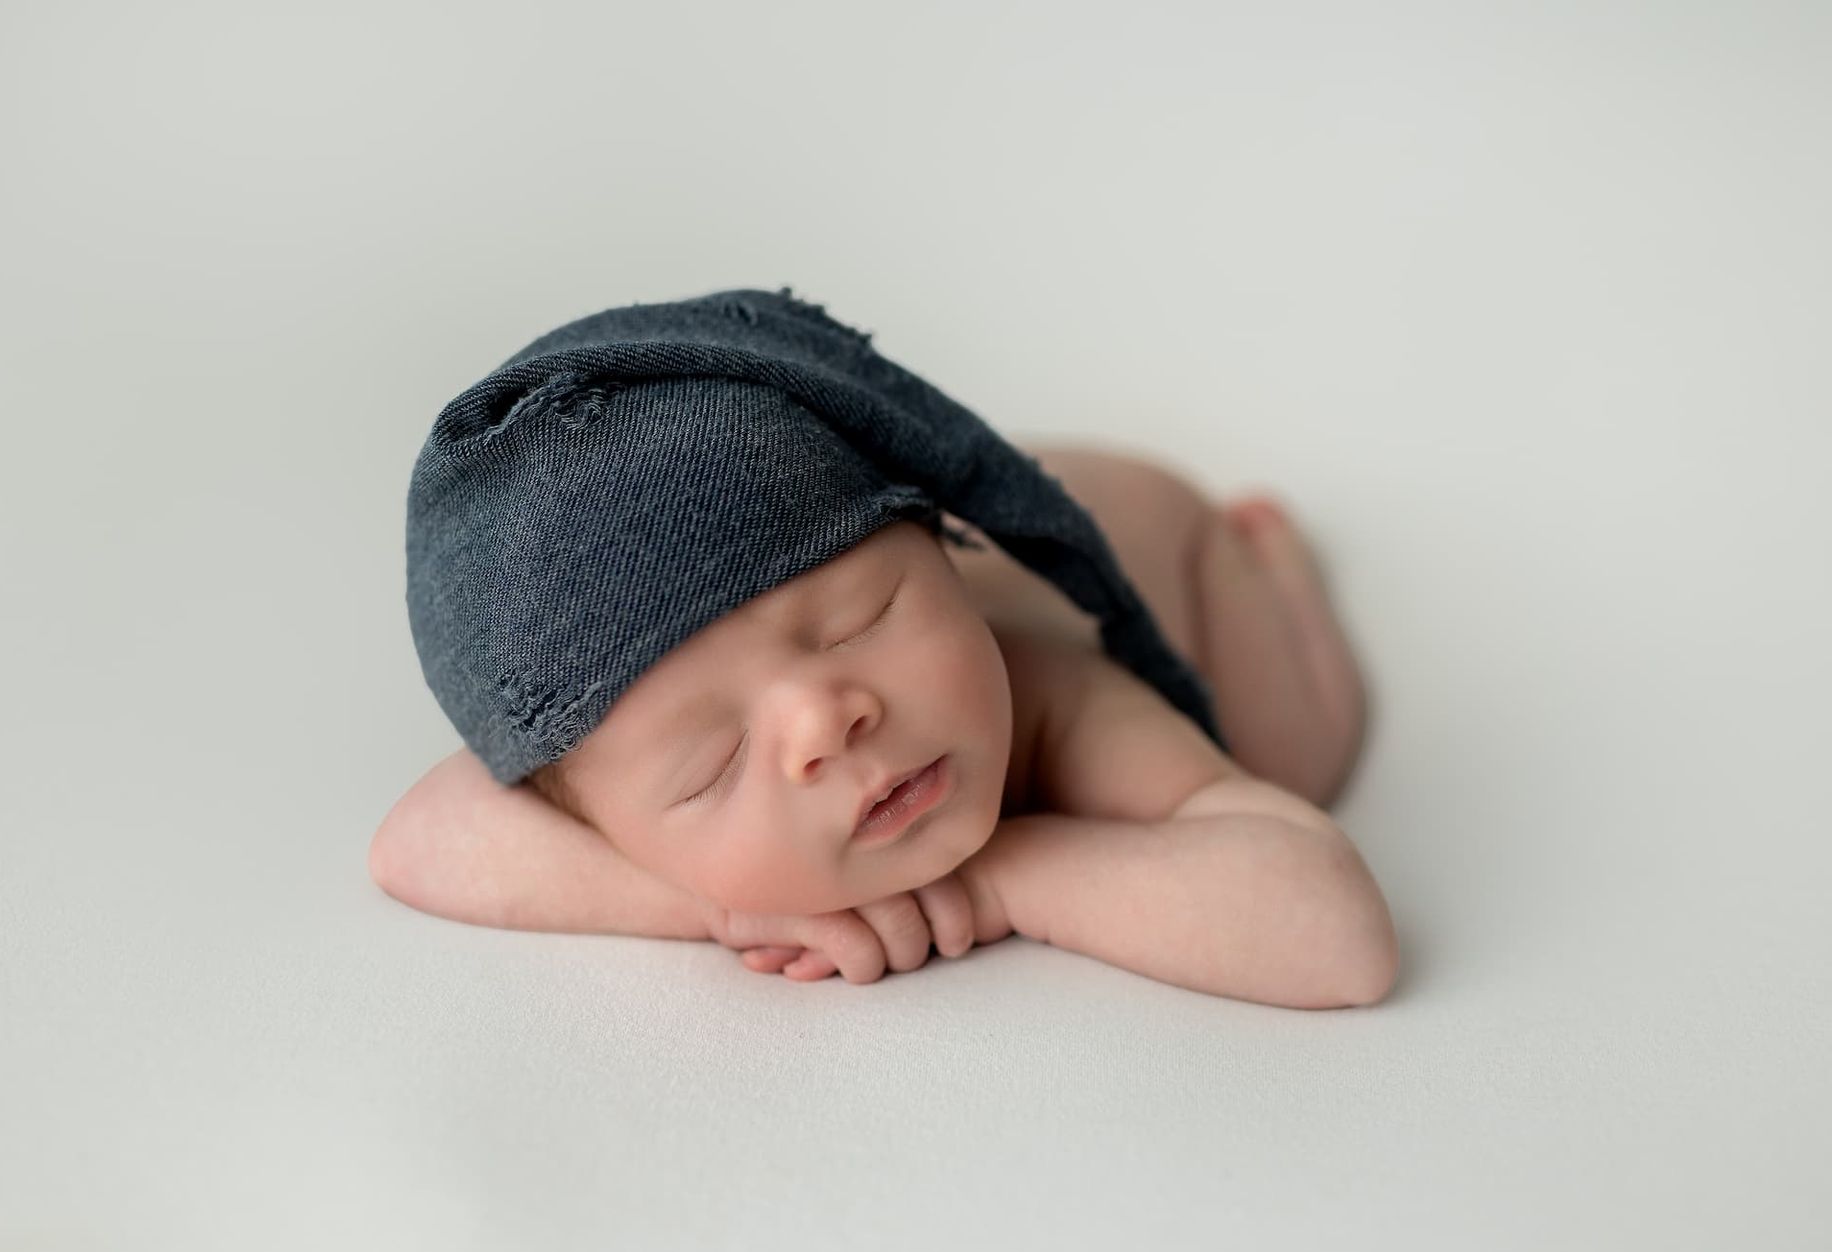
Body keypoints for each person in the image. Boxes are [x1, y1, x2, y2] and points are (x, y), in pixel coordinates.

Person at [372, 293, 1398, 1010]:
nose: (825, 717)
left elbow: (1337, 935)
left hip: (1163, 542)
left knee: (1292, 750)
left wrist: (1003, 880)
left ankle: (1273, 563)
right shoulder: (593, 737)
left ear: (938, 553)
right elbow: (416, 838)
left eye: (859, 616)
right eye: (712, 761)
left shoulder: (1058, 692)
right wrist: (725, 903)